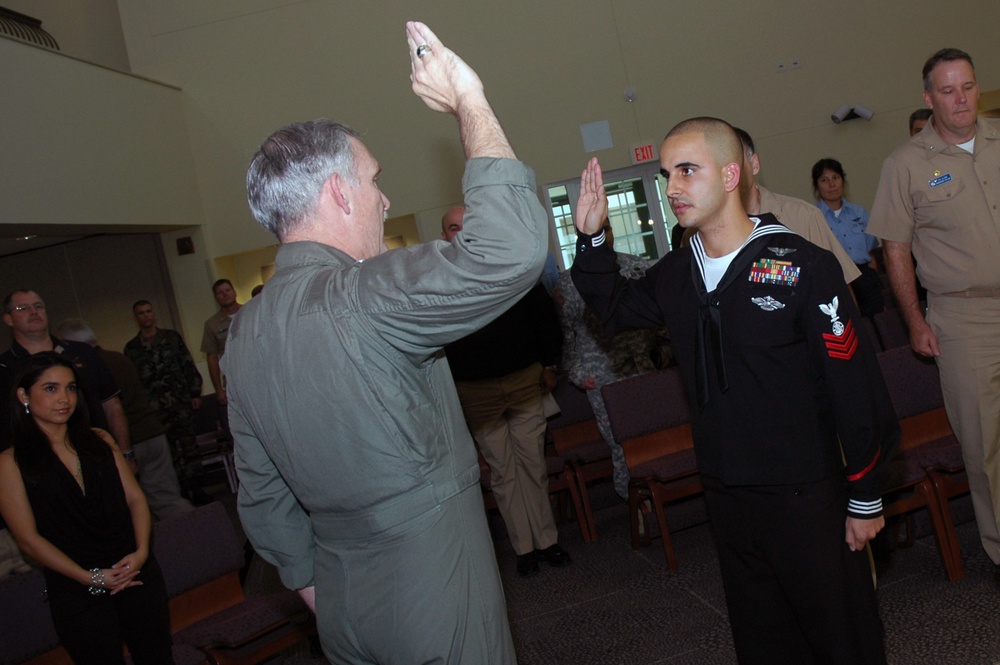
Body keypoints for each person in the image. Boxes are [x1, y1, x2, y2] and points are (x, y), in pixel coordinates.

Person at [222, 22, 547, 664]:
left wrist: (325, 592)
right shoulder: (361, 294)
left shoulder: (243, 335)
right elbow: (511, 248)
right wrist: (469, 102)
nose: (384, 196)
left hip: (343, 604)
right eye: (373, 181)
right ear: (340, 192)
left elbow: (261, 496)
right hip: (434, 585)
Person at [572, 117, 898, 664]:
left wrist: (866, 493)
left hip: (806, 494)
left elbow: (855, 388)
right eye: (666, 174)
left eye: (687, 171)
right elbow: (614, 306)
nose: (672, 187)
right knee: (764, 638)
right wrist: (593, 238)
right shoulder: (679, 273)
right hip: (728, 495)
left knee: (841, 637)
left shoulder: (802, 266)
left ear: (729, 174)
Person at [870, 47, 1000, 587]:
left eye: (967, 87)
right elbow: (894, 249)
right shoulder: (906, 164)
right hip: (963, 317)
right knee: (983, 444)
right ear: (929, 99)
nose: (960, 99)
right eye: (947, 91)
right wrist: (914, 321)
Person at [0, 353, 172, 664]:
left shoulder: (99, 440)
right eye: (50, 389)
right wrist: (89, 578)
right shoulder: (11, 463)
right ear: (24, 395)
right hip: (78, 587)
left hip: (133, 570)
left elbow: (135, 499)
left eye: (70, 388)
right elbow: (28, 539)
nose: (64, 398)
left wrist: (142, 553)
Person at [446, 276, 570, 579]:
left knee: (532, 462)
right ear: (444, 236)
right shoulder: (443, 280)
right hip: (475, 389)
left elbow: (543, 315)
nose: (460, 233)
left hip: (523, 378)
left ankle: (546, 541)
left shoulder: (510, 266)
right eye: (452, 228)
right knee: (503, 470)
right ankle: (524, 549)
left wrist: (549, 364)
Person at [556, 219, 671, 499]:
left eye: (606, 229)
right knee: (621, 444)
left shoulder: (636, 267)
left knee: (659, 435)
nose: (604, 235)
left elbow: (660, 318)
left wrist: (665, 352)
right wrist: (577, 372)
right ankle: (634, 504)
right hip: (602, 373)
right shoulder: (569, 282)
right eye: (596, 231)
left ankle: (666, 498)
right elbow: (564, 333)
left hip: (642, 366)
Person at [57, 318, 195, 521]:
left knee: (142, 506)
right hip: (153, 432)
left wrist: (124, 451)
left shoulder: (90, 367)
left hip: (129, 439)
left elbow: (109, 409)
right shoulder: (120, 357)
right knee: (166, 497)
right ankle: (197, 534)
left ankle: (198, 535)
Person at [124, 300, 206, 502]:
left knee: (189, 447)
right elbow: (134, 382)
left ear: (154, 314)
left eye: (149, 311)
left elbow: (187, 364)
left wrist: (195, 392)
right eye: (141, 313)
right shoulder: (132, 349)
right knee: (168, 454)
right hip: (156, 411)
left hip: (180, 403)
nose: (146, 316)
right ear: (136, 318)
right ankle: (179, 494)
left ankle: (198, 489)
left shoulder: (171, 337)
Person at [811, 158, 884, 316]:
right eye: (825, 180)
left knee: (880, 322)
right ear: (816, 187)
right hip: (837, 281)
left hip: (865, 276)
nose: (832, 184)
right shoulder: (814, 218)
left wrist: (874, 277)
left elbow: (870, 251)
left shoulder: (859, 212)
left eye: (836, 177)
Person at [443, 204, 560, 292]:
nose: (463, 233)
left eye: (468, 226)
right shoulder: (442, 276)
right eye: (454, 229)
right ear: (444, 236)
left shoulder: (529, 260)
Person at [200, 279, 241, 407]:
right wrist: (218, 389)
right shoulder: (212, 324)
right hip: (234, 381)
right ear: (216, 298)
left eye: (228, 290)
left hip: (259, 374)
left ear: (234, 292)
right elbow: (212, 357)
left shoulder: (251, 312)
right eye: (220, 293)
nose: (225, 294)